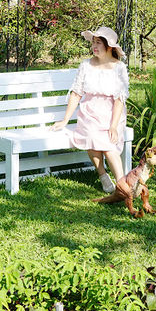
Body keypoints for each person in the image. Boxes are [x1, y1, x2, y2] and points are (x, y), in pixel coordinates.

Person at [50, 26, 129, 193]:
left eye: (98, 42)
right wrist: (65, 120)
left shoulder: (119, 68)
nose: (94, 46)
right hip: (90, 113)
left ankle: (122, 185)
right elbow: (77, 93)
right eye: (93, 42)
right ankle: (102, 175)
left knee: (108, 144)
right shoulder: (86, 65)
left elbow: (119, 99)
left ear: (109, 46)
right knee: (91, 135)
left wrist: (113, 126)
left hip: (112, 114)